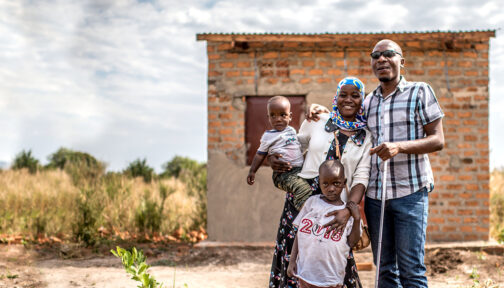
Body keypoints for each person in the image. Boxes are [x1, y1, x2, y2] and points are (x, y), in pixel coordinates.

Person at [269, 77, 372, 288]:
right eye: (343, 94)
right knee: (294, 253)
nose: (348, 99)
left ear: (363, 100)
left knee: (333, 256)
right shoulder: (318, 120)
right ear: (336, 97)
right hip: (302, 201)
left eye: (355, 95)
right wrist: (273, 157)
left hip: (336, 208)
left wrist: (348, 210)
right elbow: (293, 145)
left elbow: (361, 179)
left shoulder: (367, 137)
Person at [363, 39, 445, 287]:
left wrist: (399, 147)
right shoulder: (368, 102)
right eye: (375, 55)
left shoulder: (420, 91)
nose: (381, 59)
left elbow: (437, 140)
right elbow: (342, 118)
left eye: (388, 54)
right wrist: (317, 111)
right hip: (376, 197)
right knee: (384, 270)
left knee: (411, 270)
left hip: (410, 194)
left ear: (402, 61)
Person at [287, 160, 362, 288]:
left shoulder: (347, 213)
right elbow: (299, 234)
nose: (331, 188)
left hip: (330, 277)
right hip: (305, 274)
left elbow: (352, 243)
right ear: (319, 182)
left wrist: (356, 219)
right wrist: (292, 260)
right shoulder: (311, 203)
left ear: (344, 183)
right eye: (325, 184)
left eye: (336, 183)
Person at [247, 96, 313, 210]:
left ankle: (305, 208)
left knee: (309, 189)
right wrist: (252, 171)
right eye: (273, 115)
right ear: (268, 118)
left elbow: (297, 148)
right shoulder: (268, 136)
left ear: (290, 116)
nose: (278, 119)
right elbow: (260, 154)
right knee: (303, 189)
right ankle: (303, 212)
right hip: (283, 174)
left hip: (299, 170)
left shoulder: (291, 131)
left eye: (283, 115)